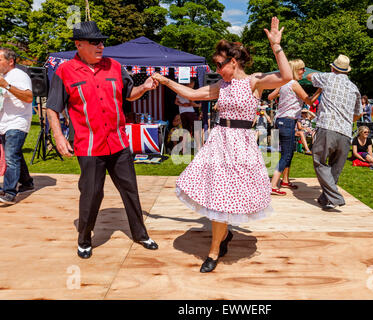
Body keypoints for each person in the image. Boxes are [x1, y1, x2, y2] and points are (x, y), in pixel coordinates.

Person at [152, 17, 292, 273]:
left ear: (233, 62)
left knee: (230, 198)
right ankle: (215, 249)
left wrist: (276, 46)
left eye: (219, 64)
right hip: (219, 142)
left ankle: (221, 239)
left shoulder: (254, 81)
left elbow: (286, 76)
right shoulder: (221, 86)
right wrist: (167, 82)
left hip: (242, 145)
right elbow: (193, 95)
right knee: (218, 196)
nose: (216, 69)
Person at [46, 21, 159, 259]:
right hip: (88, 145)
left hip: (118, 142)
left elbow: (129, 95)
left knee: (130, 190)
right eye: (95, 42)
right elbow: (53, 108)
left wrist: (145, 87)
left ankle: (140, 234)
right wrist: (58, 136)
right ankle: (85, 239)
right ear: (79, 44)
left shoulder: (115, 67)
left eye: (103, 41)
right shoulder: (64, 71)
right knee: (92, 193)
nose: (101, 46)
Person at [306, 54, 362, 210]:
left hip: (327, 127)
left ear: (333, 68)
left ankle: (335, 197)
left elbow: (310, 76)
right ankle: (326, 199)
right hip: (345, 131)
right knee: (336, 167)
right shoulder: (354, 87)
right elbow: (358, 114)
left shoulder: (328, 77)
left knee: (319, 161)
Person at [267, 59, 321, 196]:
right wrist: (320, 91)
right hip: (287, 122)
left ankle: (285, 180)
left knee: (288, 151)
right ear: (295, 70)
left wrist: (281, 92)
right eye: (301, 69)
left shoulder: (284, 83)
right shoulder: (294, 84)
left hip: (280, 120)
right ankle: (273, 185)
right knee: (286, 154)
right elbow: (309, 101)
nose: (303, 71)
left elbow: (270, 96)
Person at [0, 47, 35, 204]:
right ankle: (27, 183)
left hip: (18, 121)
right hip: (5, 122)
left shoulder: (19, 75)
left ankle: (9, 192)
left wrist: (6, 85)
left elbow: (28, 97)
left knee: (11, 157)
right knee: (15, 155)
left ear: (10, 61)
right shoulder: (5, 76)